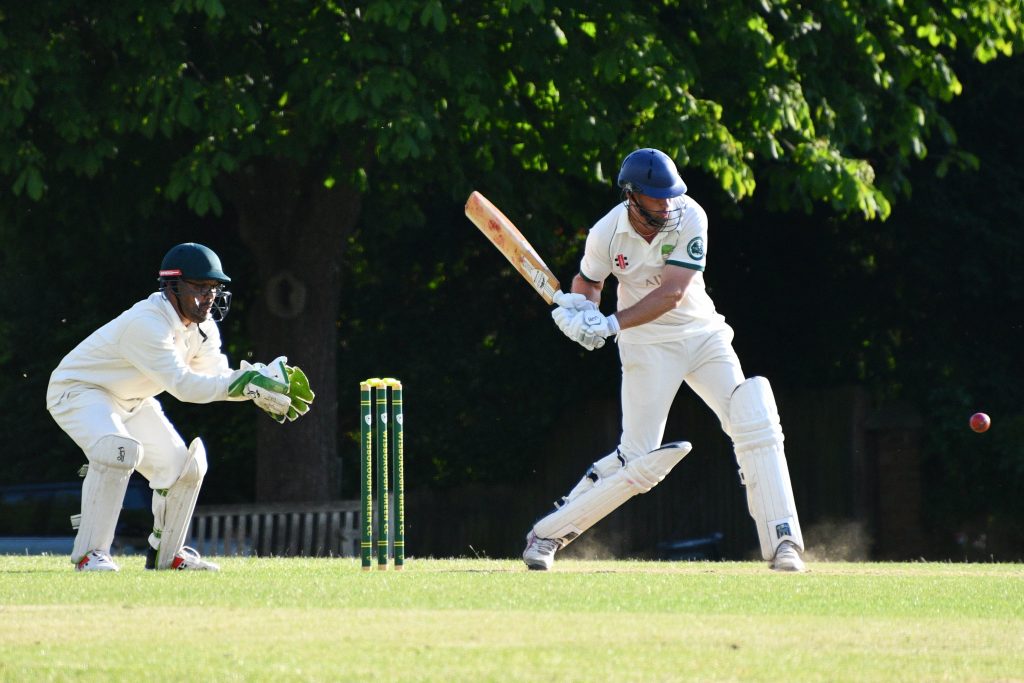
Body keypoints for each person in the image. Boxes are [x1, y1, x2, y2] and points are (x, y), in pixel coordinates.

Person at [522, 148, 806, 572]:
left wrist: (610, 324)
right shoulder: (606, 233)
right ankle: (547, 535)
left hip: (702, 334)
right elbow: (589, 281)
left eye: (670, 195)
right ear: (632, 196)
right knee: (636, 459)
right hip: (647, 346)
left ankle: (784, 542)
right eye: (656, 198)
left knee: (753, 417)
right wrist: (582, 310)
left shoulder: (690, 215)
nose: (667, 205)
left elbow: (672, 293)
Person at [46, 242, 314, 572]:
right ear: (172, 286)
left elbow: (215, 377)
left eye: (213, 288)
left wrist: (254, 384)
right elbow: (185, 386)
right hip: (79, 391)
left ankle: (168, 554)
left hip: (132, 400)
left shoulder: (204, 329)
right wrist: (244, 385)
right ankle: (91, 554)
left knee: (181, 467)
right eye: (199, 287)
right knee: (118, 450)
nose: (209, 296)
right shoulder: (147, 323)